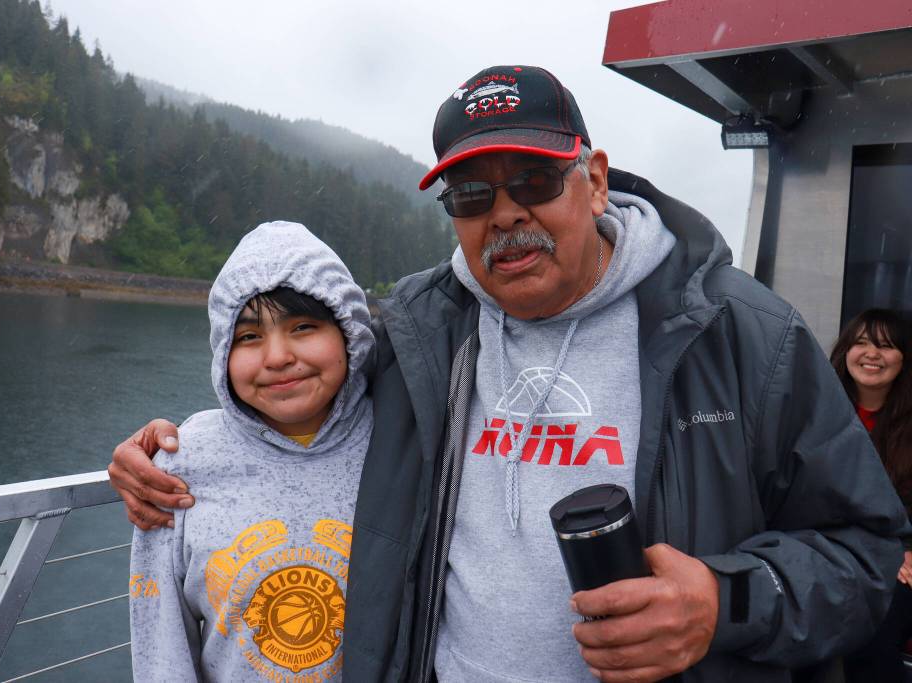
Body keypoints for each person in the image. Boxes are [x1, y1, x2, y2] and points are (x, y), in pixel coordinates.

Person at [110, 66, 909, 682]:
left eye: (533, 179)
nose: (504, 213)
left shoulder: (744, 337)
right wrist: (174, 452)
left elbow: (867, 552)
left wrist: (724, 600)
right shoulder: (425, 332)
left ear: (594, 178)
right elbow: (304, 398)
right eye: (470, 193)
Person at [127, 221, 374, 682]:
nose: (277, 356)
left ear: (349, 332)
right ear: (223, 353)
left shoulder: (401, 440)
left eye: (303, 326)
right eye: (249, 337)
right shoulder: (182, 462)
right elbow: (161, 642)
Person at [830, 309, 912, 682]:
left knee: (873, 642)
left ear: (904, 358)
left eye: (886, 346)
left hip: (896, 559)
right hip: (826, 548)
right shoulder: (818, 410)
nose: (871, 354)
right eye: (861, 342)